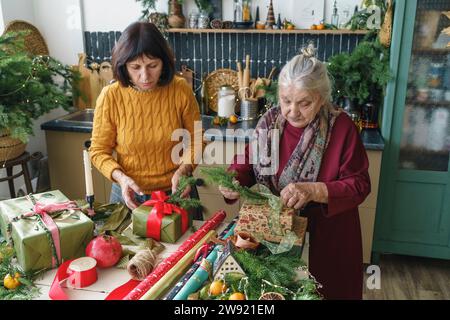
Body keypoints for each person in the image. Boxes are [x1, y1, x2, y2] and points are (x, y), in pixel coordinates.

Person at [219, 45, 371, 300]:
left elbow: (359, 185)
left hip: (329, 238)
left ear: (321, 98)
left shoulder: (341, 127)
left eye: (304, 103)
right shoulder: (269, 123)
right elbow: (245, 164)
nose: (292, 111)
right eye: (286, 100)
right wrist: (233, 180)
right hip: (274, 236)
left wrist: (314, 190)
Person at [90, 22, 203, 210]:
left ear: (164, 62)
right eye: (135, 67)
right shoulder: (111, 96)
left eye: (153, 65)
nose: (145, 76)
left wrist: (184, 169)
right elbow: (98, 151)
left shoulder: (180, 89)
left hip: (177, 192)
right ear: (123, 66)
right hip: (129, 194)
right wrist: (121, 178)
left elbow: (196, 138)